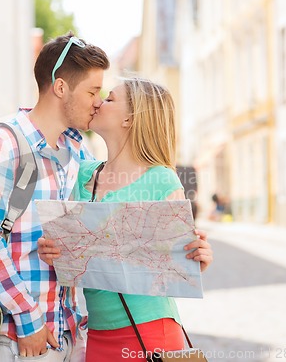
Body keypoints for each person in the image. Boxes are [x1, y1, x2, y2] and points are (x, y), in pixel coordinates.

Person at [38, 77, 213, 361]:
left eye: (109, 99)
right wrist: (53, 253)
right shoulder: (83, 175)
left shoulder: (161, 179)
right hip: (96, 332)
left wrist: (198, 258)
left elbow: (179, 264)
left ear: (130, 119)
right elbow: (71, 255)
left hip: (150, 331)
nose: (98, 101)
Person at [0, 33, 109, 361]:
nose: (98, 101)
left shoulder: (78, 151)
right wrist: (28, 319)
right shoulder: (6, 143)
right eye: (92, 91)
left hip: (69, 332)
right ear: (61, 88)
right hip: (24, 338)